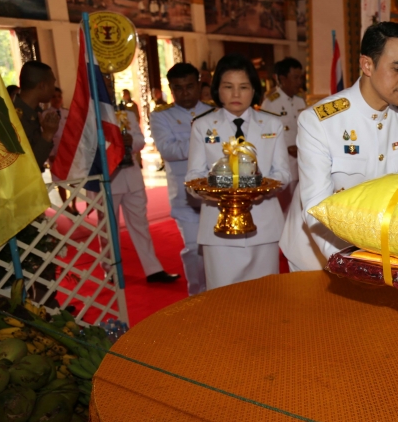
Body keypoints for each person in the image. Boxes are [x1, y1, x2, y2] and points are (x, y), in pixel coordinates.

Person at [279, 21, 398, 272]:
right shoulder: (320, 121)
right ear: (367, 65)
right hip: (317, 257)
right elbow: (316, 208)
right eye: (397, 69)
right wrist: (355, 263)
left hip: (381, 255)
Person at [186, 54, 291, 290]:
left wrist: (258, 191)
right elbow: (193, 176)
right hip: (218, 227)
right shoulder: (203, 126)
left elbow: (283, 173)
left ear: (254, 90)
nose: (236, 94)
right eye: (228, 87)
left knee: (265, 294)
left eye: (243, 87)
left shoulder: (272, 125)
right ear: (217, 90)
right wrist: (218, 194)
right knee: (223, 297)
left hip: (263, 225)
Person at [150, 63, 214, 296]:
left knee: (215, 247)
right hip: (184, 195)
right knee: (194, 248)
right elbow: (168, 150)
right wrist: (204, 143)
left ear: (198, 85)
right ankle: (197, 294)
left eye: (189, 86)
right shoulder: (161, 116)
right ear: (171, 89)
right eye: (178, 88)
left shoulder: (214, 111)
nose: (185, 93)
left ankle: (218, 291)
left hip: (215, 192)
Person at [109, 110, 181, 284]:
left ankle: (153, 269)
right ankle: (111, 269)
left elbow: (140, 140)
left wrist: (130, 141)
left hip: (132, 176)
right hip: (109, 178)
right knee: (108, 228)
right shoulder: (94, 112)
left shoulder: (127, 114)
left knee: (140, 224)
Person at [261, 57, 307, 212]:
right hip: (282, 163)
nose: (299, 82)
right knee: (284, 208)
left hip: (300, 162)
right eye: (295, 77)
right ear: (282, 79)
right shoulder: (271, 103)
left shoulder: (301, 101)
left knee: (299, 206)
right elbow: (265, 135)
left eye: (300, 77)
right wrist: (286, 147)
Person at [14, 61, 59, 171]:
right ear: (42, 86)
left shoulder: (34, 113)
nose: (54, 89)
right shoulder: (14, 118)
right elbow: (29, 166)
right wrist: (47, 135)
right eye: (52, 84)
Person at [45, 87, 77, 214]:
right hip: (56, 151)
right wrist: (51, 153)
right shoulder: (46, 114)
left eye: (59, 96)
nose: (57, 99)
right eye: (54, 96)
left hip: (68, 150)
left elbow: (73, 132)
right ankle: (66, 205)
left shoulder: (66, 113)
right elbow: (46, 136)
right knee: (60, 179)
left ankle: (74, 203)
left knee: (74, 179)